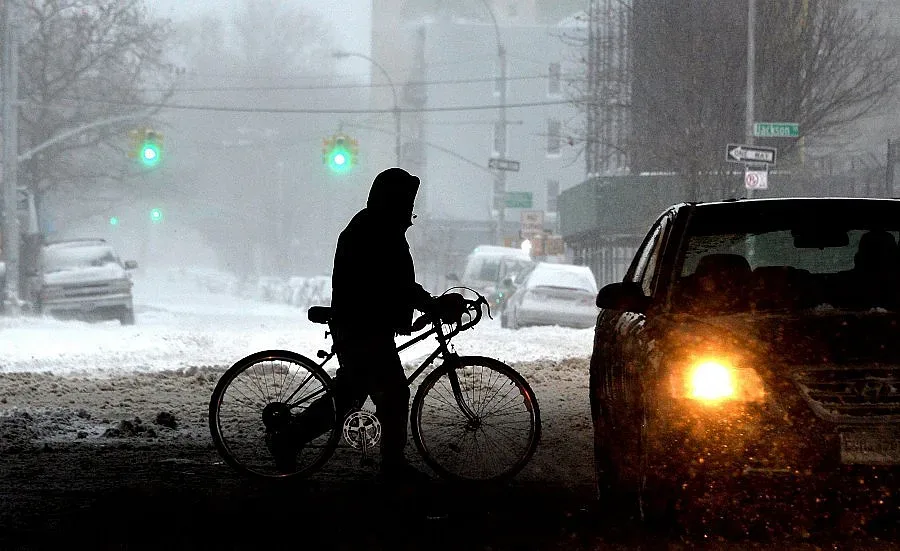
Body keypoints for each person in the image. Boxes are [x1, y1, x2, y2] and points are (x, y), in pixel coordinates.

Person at [269, 167, 463, 481]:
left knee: (349, 395)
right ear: (393, 200)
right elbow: (394, 283)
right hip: (363, 327)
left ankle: (289, 440)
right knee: (394, 394)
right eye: (406, 201)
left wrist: (425, 304)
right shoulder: (375, 231)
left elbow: (396, 284)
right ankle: (392, 465)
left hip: (364, 324)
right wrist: (431, 303)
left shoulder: (377, 226)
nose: (411, 209)